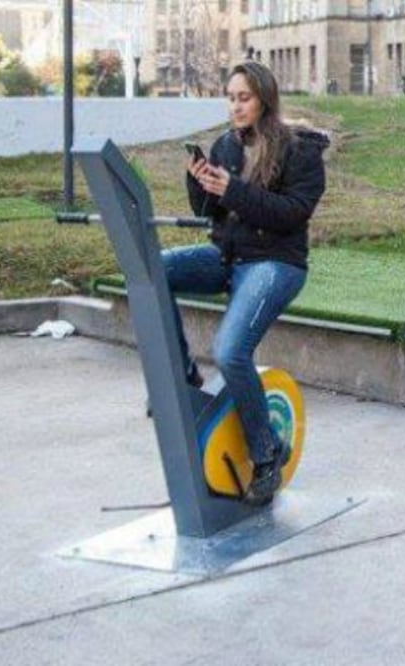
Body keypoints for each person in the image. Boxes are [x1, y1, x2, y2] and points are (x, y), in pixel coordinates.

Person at [167, 61, 330, 505]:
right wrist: (200, 182)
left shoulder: (300, 151)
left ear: (264, 99)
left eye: (244, 98)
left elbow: (291, 213)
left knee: (230, 351)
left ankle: (266, 453)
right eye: (231, 97)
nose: (235, 106)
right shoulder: (224, 144)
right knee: (153, 269)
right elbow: (209, 214)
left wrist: (233, 189)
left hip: (276, 263)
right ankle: (182, 375)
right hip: (228, 255)